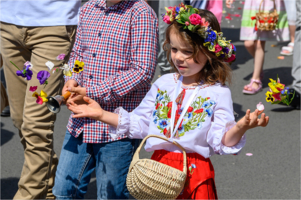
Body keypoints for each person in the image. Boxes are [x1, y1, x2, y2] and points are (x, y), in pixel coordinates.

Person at [68, 6, 269, 199]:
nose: (179, 57)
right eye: (174, 49)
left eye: (188, 51)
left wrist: (241, 127)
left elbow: (222, 141)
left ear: (208, 52)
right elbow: (140, 124)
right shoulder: (164, 83)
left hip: (195, 175)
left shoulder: (217, 92)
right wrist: (101, 114)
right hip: (159, 172)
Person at [52, 0, 158, 199]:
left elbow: (142, 71)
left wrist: (91, 91)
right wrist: (71, 78)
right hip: (80, 121)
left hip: (115, 126)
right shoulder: (88, 8)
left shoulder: (141, 13)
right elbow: (77, 55)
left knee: (110, 195)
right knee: (63, 191)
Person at [0, 0, 80, 199]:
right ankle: (47, 187)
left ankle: (29, 194)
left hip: (53, 27)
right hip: (8, 25)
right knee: (20, 120)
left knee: (37, 124)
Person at [226, 0, 289, 94]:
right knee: (248, 43)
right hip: (252, 5)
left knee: (259, 42)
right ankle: (258, 68)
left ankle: (256, 79)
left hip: (267, 4)